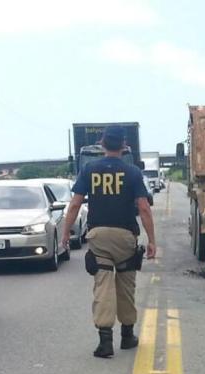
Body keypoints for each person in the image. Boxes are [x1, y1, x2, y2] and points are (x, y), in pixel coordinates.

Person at [63, 125, 156, 357]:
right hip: (125, 236)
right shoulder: (133, 172)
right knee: (125, 285)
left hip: (99, 235)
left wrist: (66, 233)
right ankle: (127, 336)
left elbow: (75, 204)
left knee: (103, 285)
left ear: (102, 144)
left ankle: (105, 342)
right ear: (124, 146)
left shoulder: (88, 170)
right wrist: (152, 239)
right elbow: (144, 207)